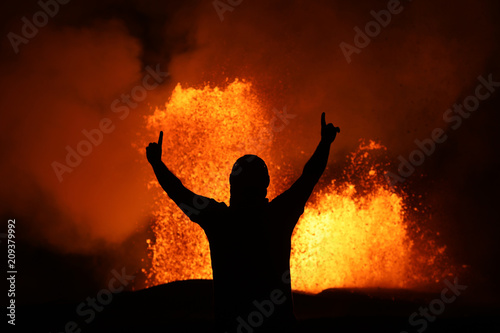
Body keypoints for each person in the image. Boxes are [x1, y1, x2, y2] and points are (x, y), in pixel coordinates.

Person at [146, 112, 340, 332]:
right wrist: (324, 144)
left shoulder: (218, 219)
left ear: (231, 183)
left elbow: (179, 192)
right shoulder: (278, 215)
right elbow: (309, 177)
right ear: (265, 182)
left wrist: (157, 164)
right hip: (278, 330)